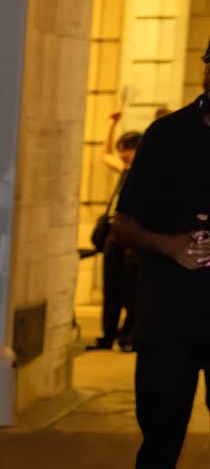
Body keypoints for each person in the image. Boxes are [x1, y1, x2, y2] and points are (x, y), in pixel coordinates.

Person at [111, 40, 210, 468]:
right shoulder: (167, 137)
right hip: (168, 321)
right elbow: (123, 224)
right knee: (159, 445)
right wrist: (170, 245)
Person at [87, 113, 142, 352]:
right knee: (111, 287)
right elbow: (105, 154)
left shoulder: (146, 172)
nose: (122, 155)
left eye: (126, 150)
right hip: (114, 234)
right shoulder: (125, 169)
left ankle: (129, 334)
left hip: (134, 237)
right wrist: (111, 124)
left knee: (132, 288)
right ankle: (108, 334)